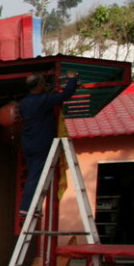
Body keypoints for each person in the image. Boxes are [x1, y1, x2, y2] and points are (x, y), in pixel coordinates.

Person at [18, 70, 80, 214]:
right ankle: (27, 207)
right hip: (41, 142)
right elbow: (67, 94)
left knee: (35, 174)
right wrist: (72, 79)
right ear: (39, 85)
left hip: (28, 142)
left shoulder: (24, 103)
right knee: (36, 176)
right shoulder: (42, 101)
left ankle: (32, 207)